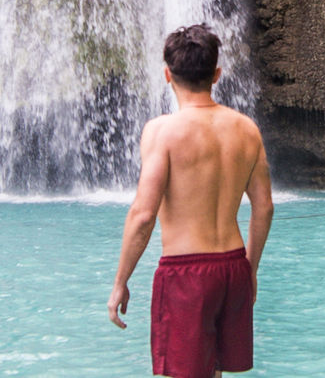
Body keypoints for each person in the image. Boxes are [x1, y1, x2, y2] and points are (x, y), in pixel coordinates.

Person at [107, 23, 270, 377]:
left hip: (186, 272)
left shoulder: (162, 132)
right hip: (233, 266)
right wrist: (251, 269)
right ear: (217, 74)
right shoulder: (247, 129)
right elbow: (264, 207)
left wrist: (121, 280)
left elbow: (143, 214)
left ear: (167, 75)